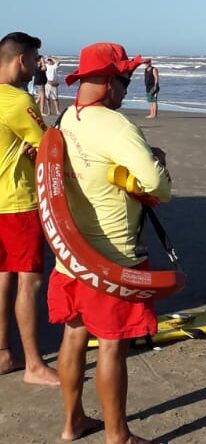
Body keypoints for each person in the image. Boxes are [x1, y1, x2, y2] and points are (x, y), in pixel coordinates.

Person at [50, 42, 171, 443]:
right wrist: (154, 166)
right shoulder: (116, 125)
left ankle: (72, 423)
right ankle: (117, 435)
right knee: (112, 347)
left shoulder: (69, 118)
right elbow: (157, 186)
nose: (127, 90)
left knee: (73, 335)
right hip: (112, 258)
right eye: (124, 80)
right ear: (105, 81)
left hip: (70, 256)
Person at [0, 32, 60, 386]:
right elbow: (50, 146)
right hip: (18, 203)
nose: (38, 65)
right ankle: (35, 364)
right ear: (21, 60)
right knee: (30, 281)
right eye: (36, 60)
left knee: (3, 276)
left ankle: (4, 353)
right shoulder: (17, 101)